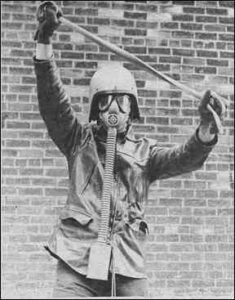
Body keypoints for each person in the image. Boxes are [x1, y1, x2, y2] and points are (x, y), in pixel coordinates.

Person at [33, 2, 226, 298]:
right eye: (106, 100)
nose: (114, 109)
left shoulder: (146, 153)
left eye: (122, 101)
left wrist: (205, 131)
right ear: (96, 106)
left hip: (126, 266)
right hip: (77, 264)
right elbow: (52, 101)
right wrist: (44, 42)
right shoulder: (77, 140)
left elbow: (184, 157)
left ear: (132, 109)